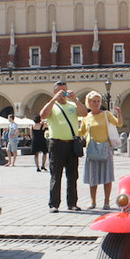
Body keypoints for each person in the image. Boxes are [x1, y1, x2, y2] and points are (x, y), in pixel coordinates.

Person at [40, 80, 88, 212]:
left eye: (65, 91)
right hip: (56, 144)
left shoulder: (72, 105)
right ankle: (54, 204)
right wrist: (53, 100)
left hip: (71, 143)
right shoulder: (52, 106)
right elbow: (43, 115)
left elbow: (84, 113)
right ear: (54, 92)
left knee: (72, 176)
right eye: (60, 91)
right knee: (56, 175)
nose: (63, 94)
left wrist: (76, 99)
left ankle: (72, 203)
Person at [79, 91, 123, 210]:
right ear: (89, 103)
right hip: (91, 149)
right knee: (93, 178)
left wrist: (119, 114)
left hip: (105, 148)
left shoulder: (106, 114)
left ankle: (106, 202)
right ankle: (92, 201)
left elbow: (119, 124)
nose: (97, 103)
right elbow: (82, 132)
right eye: (94, 101)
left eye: (98, 101)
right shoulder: (86, 117)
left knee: (107, 176)